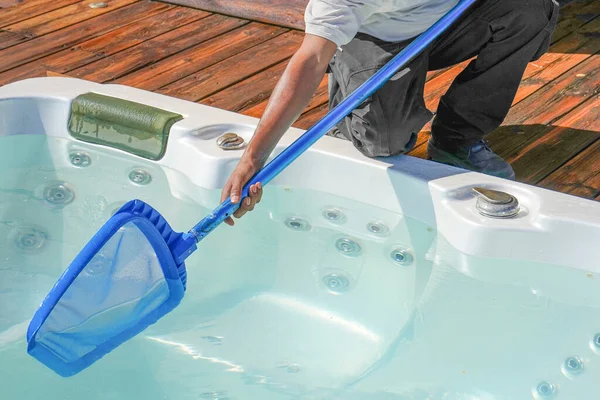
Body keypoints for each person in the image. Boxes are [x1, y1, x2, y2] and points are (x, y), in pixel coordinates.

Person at [220, 0, 559, 226]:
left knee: (530, 10)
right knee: (382, 142)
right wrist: (253, 158)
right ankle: (349, 89)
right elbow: (309, 60)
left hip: (449, 20)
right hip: (376, 38)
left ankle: (457, 140)